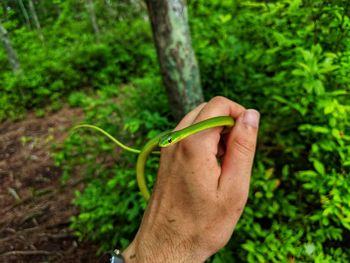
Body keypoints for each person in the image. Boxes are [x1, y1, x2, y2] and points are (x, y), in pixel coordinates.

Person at [121, 96, 260, 262]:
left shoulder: (186, 134)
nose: (166, 144)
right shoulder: (177, 138)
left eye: (170, 141)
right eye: (167, 141)